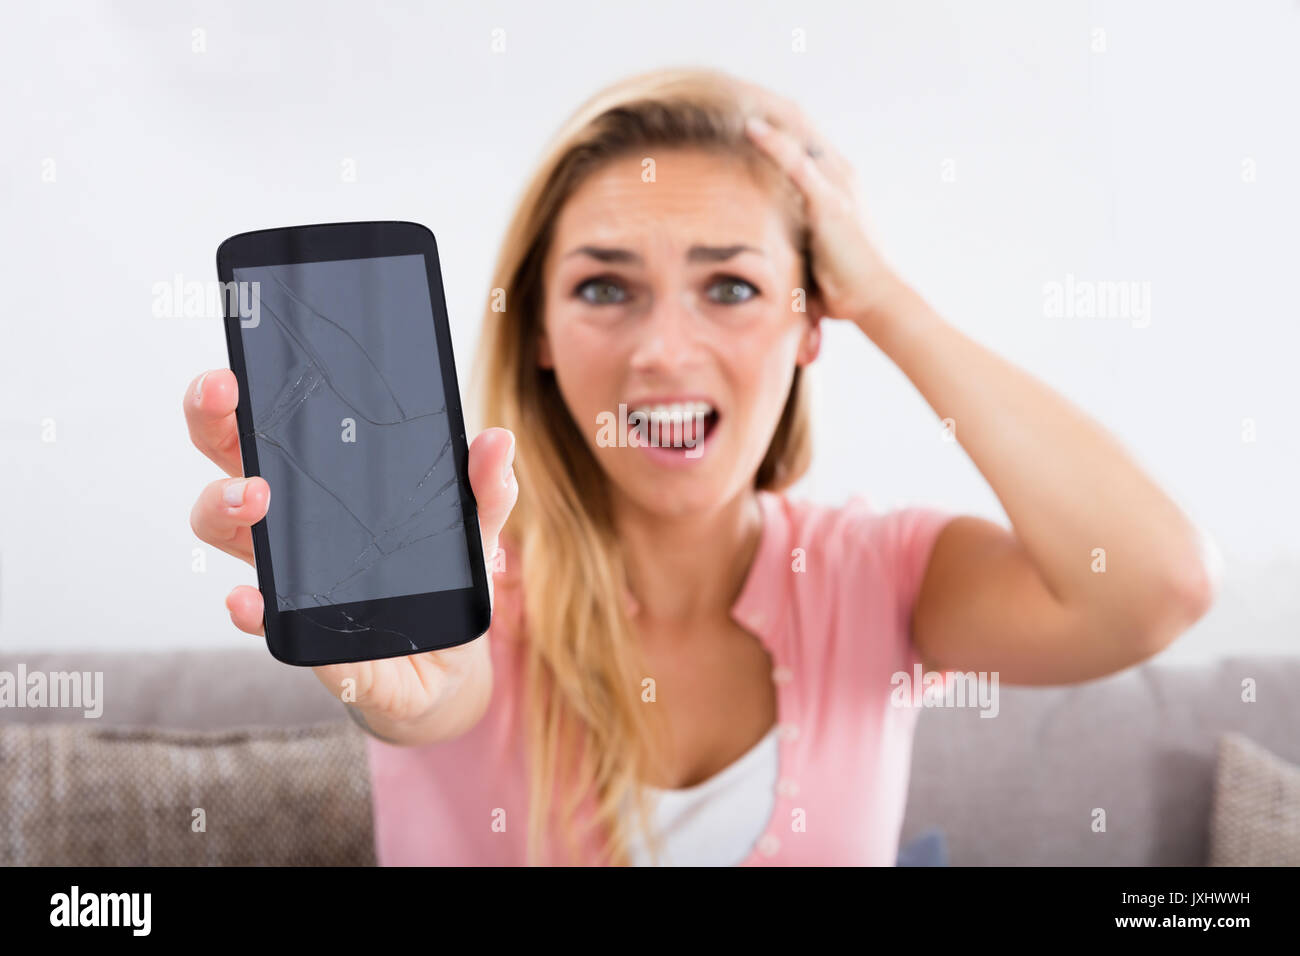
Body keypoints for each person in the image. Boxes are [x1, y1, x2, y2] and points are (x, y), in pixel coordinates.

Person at [184, 68, 1217, 866]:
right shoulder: (468, 579)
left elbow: (1151, 584)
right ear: (537, 328)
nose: (662, 352)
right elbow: (436, 695)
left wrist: (885, 297)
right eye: (602, 288)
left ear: (808, 322)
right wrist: (402, 687)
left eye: (728, 287)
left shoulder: (880, 574)